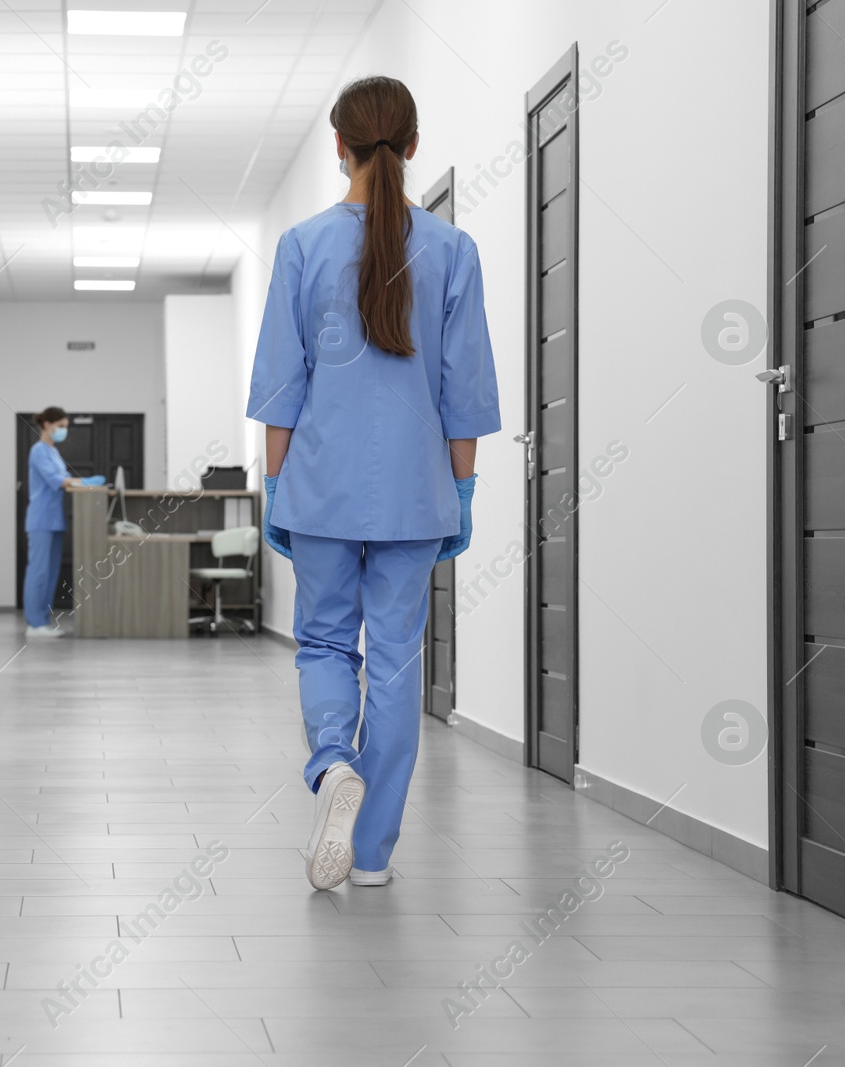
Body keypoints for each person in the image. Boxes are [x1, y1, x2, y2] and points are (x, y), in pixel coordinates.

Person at [246, 76, 500, 890]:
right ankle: (373, 856)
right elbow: (464, 394)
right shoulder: (454, 251)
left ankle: (331, 764)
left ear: (340, 147)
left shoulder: (302, 245)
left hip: (319, 486)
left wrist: (276, 485)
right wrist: (461, 493)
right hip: (413, 494)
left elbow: (282, 388)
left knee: (322, 641)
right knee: (394, 664)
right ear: (414, 147)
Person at [23, 407, 104, 638]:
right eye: (61, 426)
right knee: (38, 573)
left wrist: (82, 483)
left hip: (56, 520)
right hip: (40, 520)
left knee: (50, 573)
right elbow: (57, 481)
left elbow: (66, 479)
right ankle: (34, 623)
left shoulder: (54, 452)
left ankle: (43, 622)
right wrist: (87, 481)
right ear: (47, 424)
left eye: (65, 427)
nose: (64, 431)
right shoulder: (38, 451)